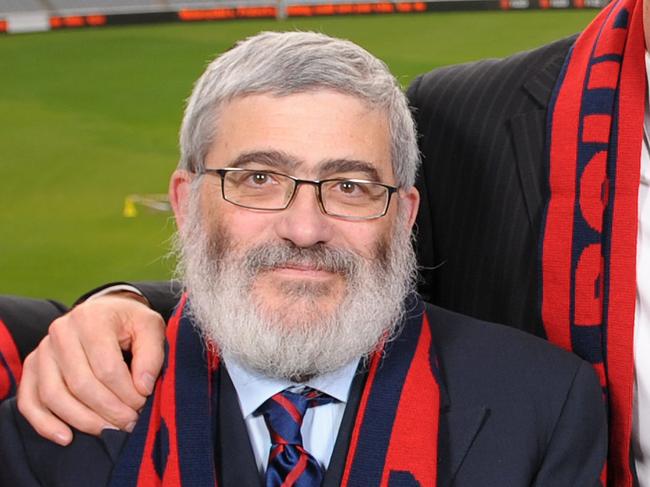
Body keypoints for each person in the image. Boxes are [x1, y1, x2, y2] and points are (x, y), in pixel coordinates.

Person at [0, 31, 605, 486]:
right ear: (185, 203)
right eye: (259, 177)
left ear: (405, 215)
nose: (305, 228)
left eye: (350, 186)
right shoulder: (61, 408)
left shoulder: (546, 406)